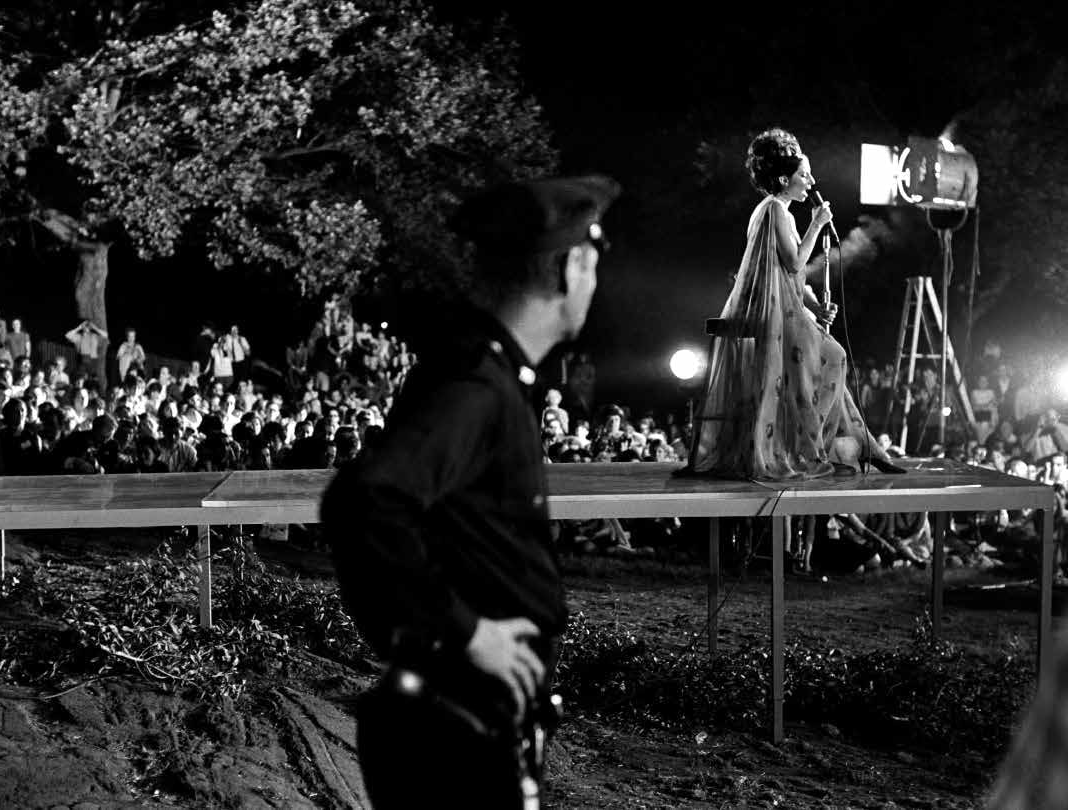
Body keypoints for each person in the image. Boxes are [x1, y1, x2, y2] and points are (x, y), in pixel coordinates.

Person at [320, 174, 620, 809]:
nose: (595, 286)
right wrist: (463, 632)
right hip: (450, 730)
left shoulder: (489, 372)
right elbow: (364, 500)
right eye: (591, 266)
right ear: (567, 269)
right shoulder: (477, 384)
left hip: (465, 720)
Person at [683, 127, 903, 479]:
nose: (811, 182)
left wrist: (815, 308)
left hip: (789, 311)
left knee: (832, 358)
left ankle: (858, 444)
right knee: (834, 356)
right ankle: (814, 447)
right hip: (774, 316)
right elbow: (795, 263)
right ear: (785, 178)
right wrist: (817, 225)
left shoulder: (777, 211)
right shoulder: (773, 210)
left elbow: (790, 279)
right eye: (804, 175)